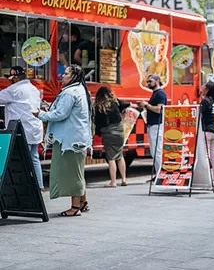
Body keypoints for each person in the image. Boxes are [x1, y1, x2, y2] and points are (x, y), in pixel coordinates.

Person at [34, 65, 92, 217]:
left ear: (73, 76)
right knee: (77, 171)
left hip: (69, 140)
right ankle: (83, 202)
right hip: (76, 138)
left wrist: (40, 114)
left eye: (66, 73)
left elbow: (60, 114)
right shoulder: (79, 89)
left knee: (73, 173)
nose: (62, 75)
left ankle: (75, 208)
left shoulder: (70, 92)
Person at [0, 66, 44, 191]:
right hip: (34, 129)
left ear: (15, 77)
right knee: (34, 158)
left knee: (19, 160)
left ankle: (22, 188)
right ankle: (39, 187)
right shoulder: (33, 88)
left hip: (23, 130)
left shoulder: (14, 90)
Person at [94, 87, 132, 188]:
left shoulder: (99, 107)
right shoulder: (115, 102)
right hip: (119, 131)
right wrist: (122, 110)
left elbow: (97, 122)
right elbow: (128, 104)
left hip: (108, 133)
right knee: (120, 155)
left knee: (111, 157)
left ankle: (113, 182)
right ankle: (124, 179)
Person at [138, 74, 167, 176]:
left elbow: (160, 109)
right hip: (152, 125)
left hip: (157, 125)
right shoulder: (155, 93)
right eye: (148, 82)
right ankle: (158, 173)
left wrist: (146, 105)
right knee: (154, 151)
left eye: (150, 81)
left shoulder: (160, 94)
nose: (148, 83)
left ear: (158, 81)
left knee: (157, 151)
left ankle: (160, 174)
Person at [201, 81, 214, 188]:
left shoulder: (205, 101)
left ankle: (207, 179)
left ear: (207, 90)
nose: (202, 88)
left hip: (207, 130)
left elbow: (200, 113)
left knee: (205, 156)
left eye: (204, 87)